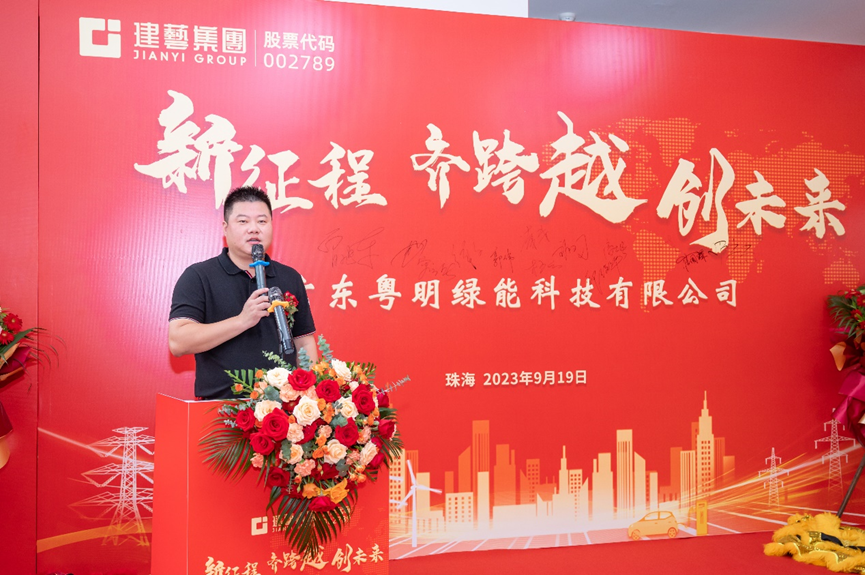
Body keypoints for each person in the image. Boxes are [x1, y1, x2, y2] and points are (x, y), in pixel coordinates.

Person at [169, 186, 318, 399]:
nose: (254, 229)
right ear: (225, 227)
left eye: (262, 221)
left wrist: (309, 396)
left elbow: (304, 342)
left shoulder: (289, 277)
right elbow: (178, 342)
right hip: (220, 410)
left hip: (284, 409)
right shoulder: (199, 276)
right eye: (243, 221)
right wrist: (242, 321)